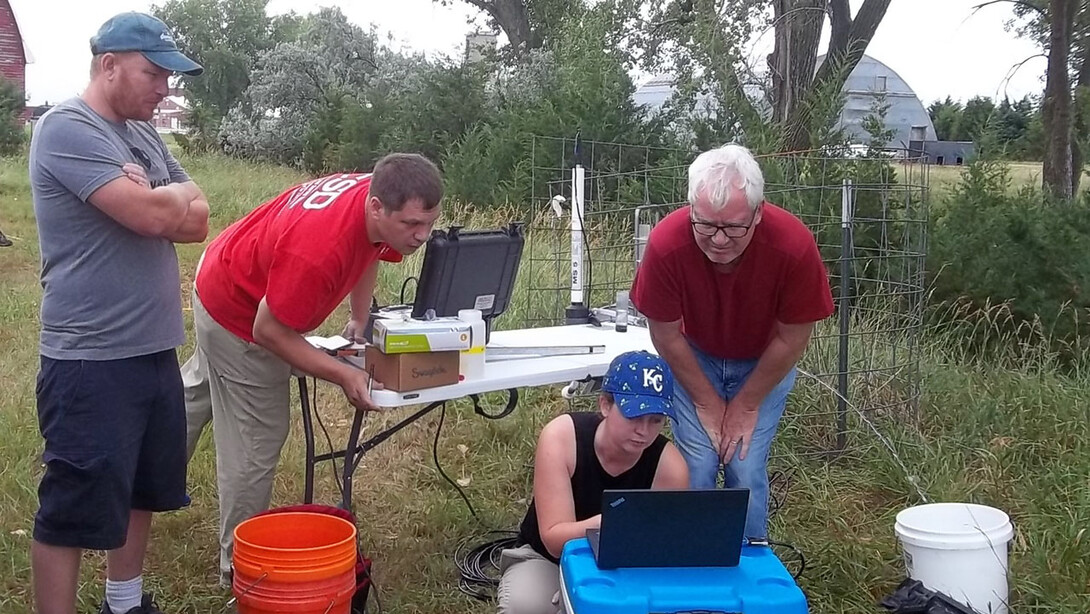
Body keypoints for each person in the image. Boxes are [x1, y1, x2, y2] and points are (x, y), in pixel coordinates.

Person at [182, 153, 443, 586]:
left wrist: (360, 318)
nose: (421, 236)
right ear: (377, 206)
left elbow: (373, 250)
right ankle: (240, 571)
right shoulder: (319, 250)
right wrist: (344, 374)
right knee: (256, 439)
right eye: (412, 225)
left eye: (429, 223)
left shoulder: (376, 196)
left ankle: (136, 483)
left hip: (225, 268)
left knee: (195, 396)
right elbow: (269, 332)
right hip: (238, 313)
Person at [28, 12, 207, 614]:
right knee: (74, 504)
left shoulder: (145, 136)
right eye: (154, 74)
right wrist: (166, 200)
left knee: (141, 490)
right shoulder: (66, 129)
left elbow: (198, 219)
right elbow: (157, 219)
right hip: (90, 358)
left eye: (168, 79)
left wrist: (163, 194)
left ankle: (124, 604)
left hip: (154, 349)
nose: (165, 90)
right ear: (109, 66)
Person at [630, 144, 833, 542]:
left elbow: (792, 338)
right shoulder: (667, 243)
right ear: (690, 209)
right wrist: (707, 401)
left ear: (758, 213)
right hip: (693, 356)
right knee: (699, 462)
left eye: (734, 227)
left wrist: (746, 403)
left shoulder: (793, 246)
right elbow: (665, 334)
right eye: (705, 224)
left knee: (745, 463)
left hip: (765, 362)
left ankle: (749, 564)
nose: (719, 239)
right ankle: (688, 558)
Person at [496, 350, 690, 614]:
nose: (644, 431)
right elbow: (554, 538)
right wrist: (610, 522)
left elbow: (661, 548)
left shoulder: (670, 466)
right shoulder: (562, 437)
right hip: (549, 559)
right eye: (634, 416)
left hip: (627, 568)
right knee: (525, 606)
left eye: (656, 420)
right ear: (605, 405)